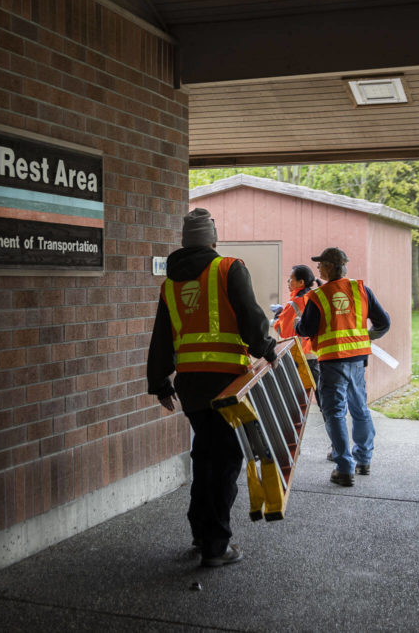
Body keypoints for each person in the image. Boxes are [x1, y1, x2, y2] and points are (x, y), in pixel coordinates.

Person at [147, 207, 277, 568]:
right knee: (223, 462)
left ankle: (201, 533)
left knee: (206, 457)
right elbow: (250, 316)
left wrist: (160, 382)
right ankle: (215, 546)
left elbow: (161, 337)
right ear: (213, 240)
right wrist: (266, 347)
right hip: (226, 383)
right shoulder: (227, 268)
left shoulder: (170, 283)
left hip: (190, 386)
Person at [296, 247, 390, 487]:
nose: (317, 268)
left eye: (320, 264)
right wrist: (366, 337)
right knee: (359, 407)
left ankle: (344, 468)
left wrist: (297, 324)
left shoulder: (318, 296)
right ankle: (364, 460)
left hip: (332, 361)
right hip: (357, 359)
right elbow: (384, 322)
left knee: (335, 411)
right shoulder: (361, 290)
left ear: (329, 267)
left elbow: (306, 329)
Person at [272, 264, 320, 391]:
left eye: (290, 279)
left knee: (298, 395)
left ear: (301, 282)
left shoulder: (294, 304)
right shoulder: (316, 297)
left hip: (300, 357)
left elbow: (283, 332)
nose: (288, 282)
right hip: (317, 354)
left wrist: (277, 317)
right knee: (320, 393)